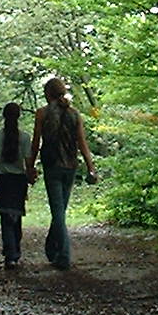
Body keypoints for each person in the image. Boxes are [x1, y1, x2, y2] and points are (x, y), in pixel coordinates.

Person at [28, 77, 96, 270]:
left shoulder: (42, 113)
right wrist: (91, 167)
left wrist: (30, 166)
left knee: (58, 212)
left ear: (47, 94)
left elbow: (35, 143)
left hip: (52, 167)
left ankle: (64, 256)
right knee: (60, 211)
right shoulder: (75, 114)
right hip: (71, 167)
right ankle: (51, 248)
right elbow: (82, 143)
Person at [0, 102, 31, 270]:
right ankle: (14, 252)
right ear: (19, 116)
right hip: (18, 181)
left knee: (5, 218)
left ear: (3, 116)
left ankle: (10, 254)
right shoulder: (25, 138)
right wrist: (29, 179)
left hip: (2, 180)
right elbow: (28, 163)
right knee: (16, 217)